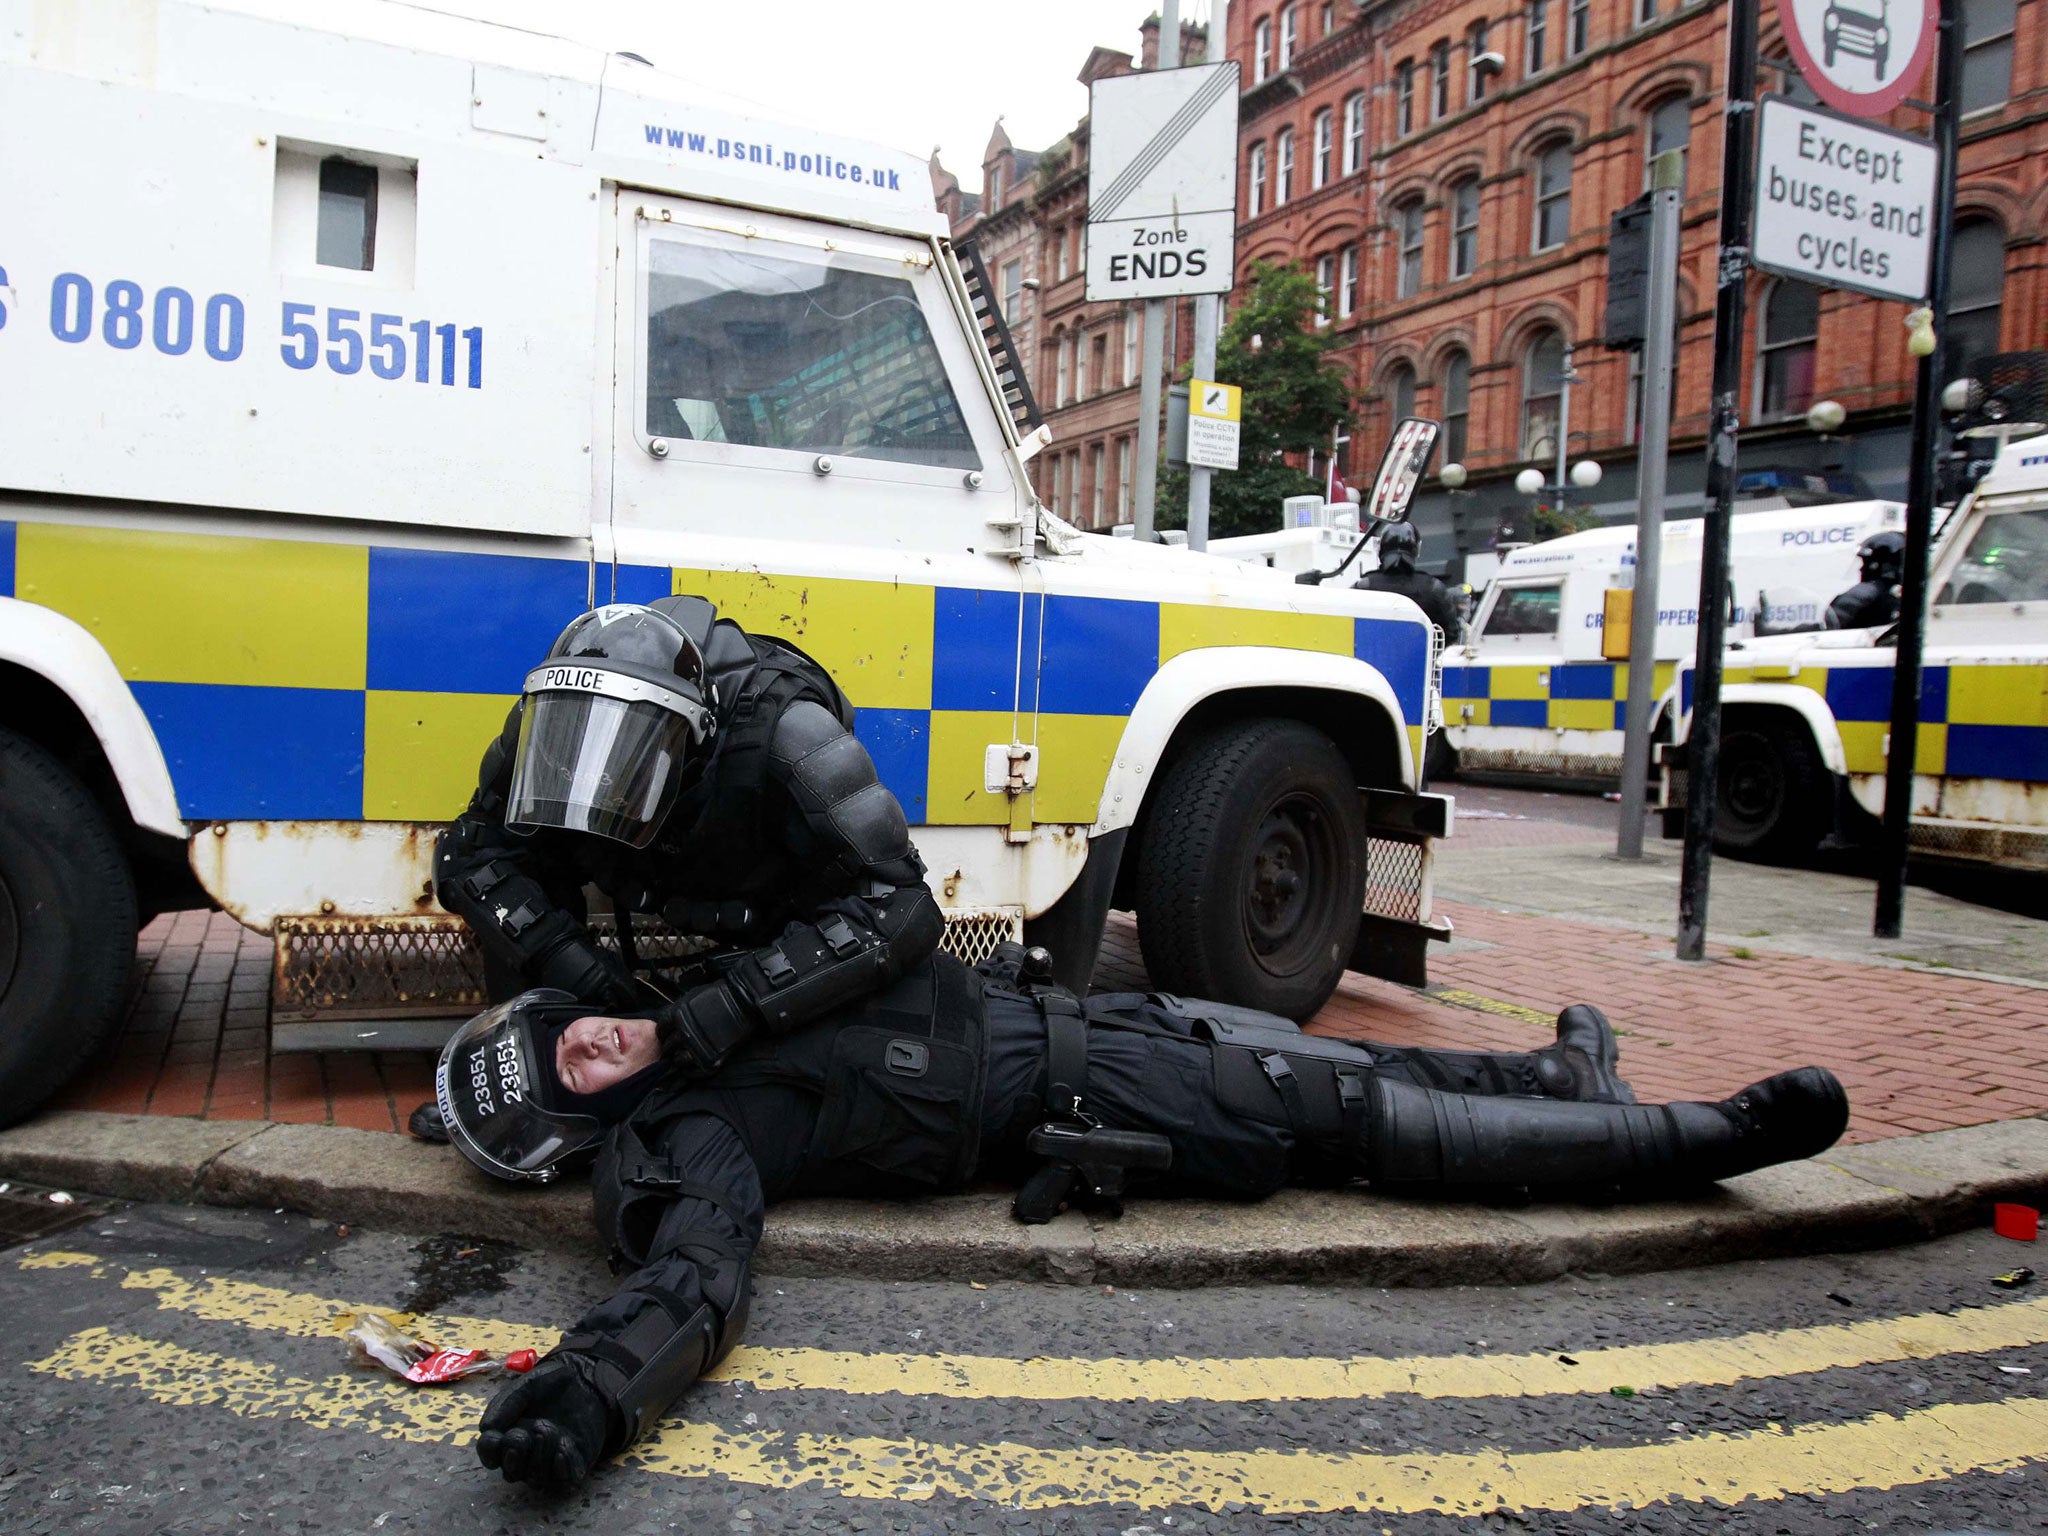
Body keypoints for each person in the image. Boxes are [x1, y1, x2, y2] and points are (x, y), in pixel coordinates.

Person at [437, 949, 1850, 1490]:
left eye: (571, 1032)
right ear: (581, 1134)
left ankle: (1559, 1079)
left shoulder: (693, 986)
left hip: (1102, 1016)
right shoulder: (689, 1140)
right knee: (1349, 1120)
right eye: (573, 1077)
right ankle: (1693, 1141)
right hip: (1096, 1097)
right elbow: (698, 1272)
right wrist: (590, 1390)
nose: (596, 1046)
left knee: (1341, 1068)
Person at [411, 594, 944, 1140]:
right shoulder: (553, 709)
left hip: (765, 903)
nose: (601, 779)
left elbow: (902, 908)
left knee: (763, 1044)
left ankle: (709, 1114)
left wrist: (741, 1002)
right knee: (518, 873)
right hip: (638, 872)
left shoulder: (792, 731)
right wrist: (565, 958)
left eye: (627, 760)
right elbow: (471, 852)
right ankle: (529, 1091)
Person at [1357, 520, 1464, 643]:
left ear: (1381, 548)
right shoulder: (1433, 589)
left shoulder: (1363, 587)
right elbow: (1451, 633)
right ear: (1416, 549)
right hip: (1420, 661)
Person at [1823, 531, 1905, 629]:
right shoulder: (1915, 598)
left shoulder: (1866, 593)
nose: (1861, 569)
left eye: (1866, 563)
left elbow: (1829, 626)